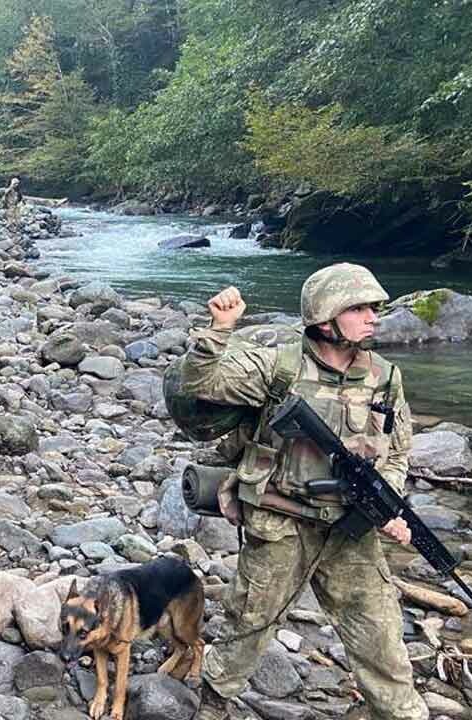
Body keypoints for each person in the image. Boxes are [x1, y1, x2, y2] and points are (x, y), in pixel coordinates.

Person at [182, 263, 428, 720]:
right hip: (280, 523)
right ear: (325, 316)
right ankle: (213, 703)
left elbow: (397, 453)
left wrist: (387, 504)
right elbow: (201, 384)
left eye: (374, 307)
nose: (373, 316)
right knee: (248, 625)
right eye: (359, 308)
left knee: (381, 637)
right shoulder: (277, 365)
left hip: (350, 532)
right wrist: (219, 331)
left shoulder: (385, 377)